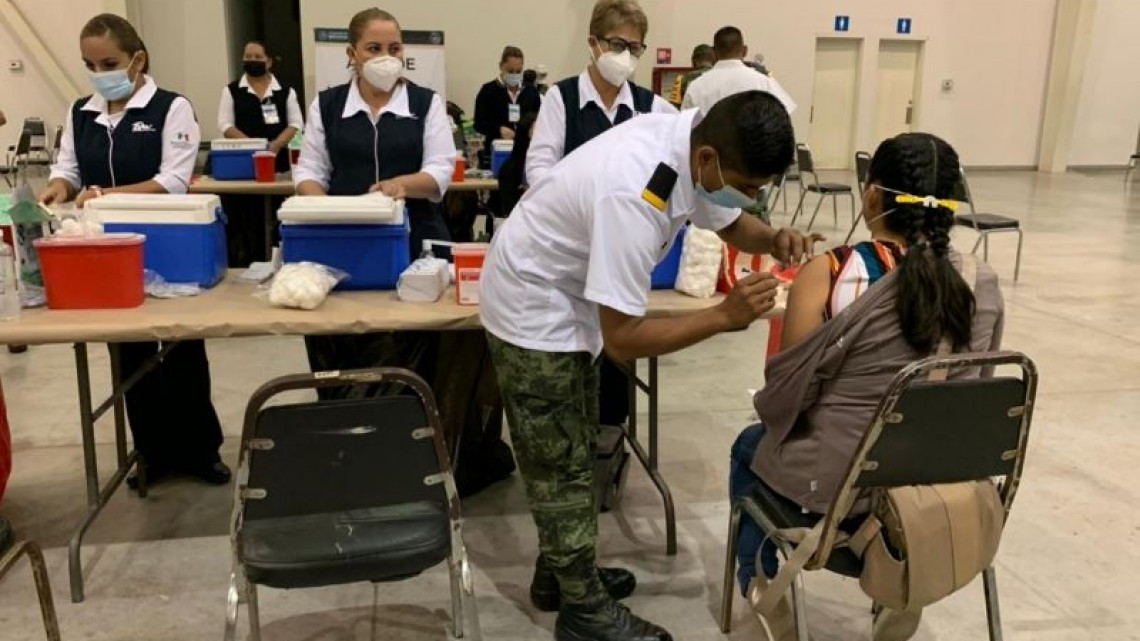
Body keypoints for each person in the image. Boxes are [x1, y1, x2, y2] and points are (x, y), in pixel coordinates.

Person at [482, 91, 816, 641]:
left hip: (568, 298)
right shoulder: (634, 192)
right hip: (533, 304)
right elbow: (624, 340)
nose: (752, 198)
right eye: (748, 184)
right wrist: (722, 316)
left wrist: (774, 239)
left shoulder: (692, 143)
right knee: (559, 459)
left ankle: (562, 574)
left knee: (576, 441)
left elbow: (731, 223)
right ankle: (581, 610)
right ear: (709, 158)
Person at [729, 133, 1005, 640]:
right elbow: (975, 395)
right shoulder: (980, 283)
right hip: (938, 492)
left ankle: (760, 585)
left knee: (748, 446)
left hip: (837, 498)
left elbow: (787, 392)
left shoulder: (831, 272)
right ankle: (900, 600)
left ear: (872, 196)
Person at [40, 13, 228, 487]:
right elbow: (67, 170)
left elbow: (174, 179)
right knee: (129, 353)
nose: (99, 71)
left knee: (182, 351)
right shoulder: (82, 111)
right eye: (90, 63)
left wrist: (112, 195)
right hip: (107, 253)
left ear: (137, 59)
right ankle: (151, 453)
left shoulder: (171, 107)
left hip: (170, 245)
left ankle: (201, 451)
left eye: (109, 61)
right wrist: (58, 189)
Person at [527, 0, 678, 430]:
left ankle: (609, 440)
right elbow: (539, 168)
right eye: (618, 44)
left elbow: (676, 161)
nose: (626, 56)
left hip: (626, 250)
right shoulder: (564, 98)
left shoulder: (650, 107)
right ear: (593, 43)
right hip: (571, 249)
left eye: (636, 47)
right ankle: (570, 431)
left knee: (617, 345)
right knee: (571, 347)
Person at [216, 40, 304, 265]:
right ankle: (248, 261)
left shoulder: (285, 91)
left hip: (279, 164)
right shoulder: (232, 90)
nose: (252, 61)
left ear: (269, 61)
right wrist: (251, 145)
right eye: (248, 57)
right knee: (247, 218)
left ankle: (279, 260)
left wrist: (275, 145)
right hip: (244, 166)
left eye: (258, 57)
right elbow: (225, 124)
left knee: (277, 215)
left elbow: (296, 123)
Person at [682, 27, 796, 115]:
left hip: (709, 145)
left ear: (713, 52)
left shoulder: (696, 87)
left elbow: (686, 128)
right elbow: (784, 115)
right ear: (745, 50)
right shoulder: (764, 83)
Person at [473, 46, 541, 169]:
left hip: (524, 154)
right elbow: (479, 123)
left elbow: (539, 119)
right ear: (501, 66)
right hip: (496, 153)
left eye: (518, 71)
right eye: (510, 71)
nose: (514, 75)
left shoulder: (531, 92)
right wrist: (498, 130)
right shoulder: (488, 91)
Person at [496, 110, 538, 217]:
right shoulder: (510, 168)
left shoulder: (554, 164)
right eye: (537, 131)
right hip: (519, 220)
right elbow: (508, 209)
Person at [668, 44, 715, 108]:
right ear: (713, 59)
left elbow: (673, 107)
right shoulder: (721, 77)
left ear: (694, 60)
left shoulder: (681, 79)